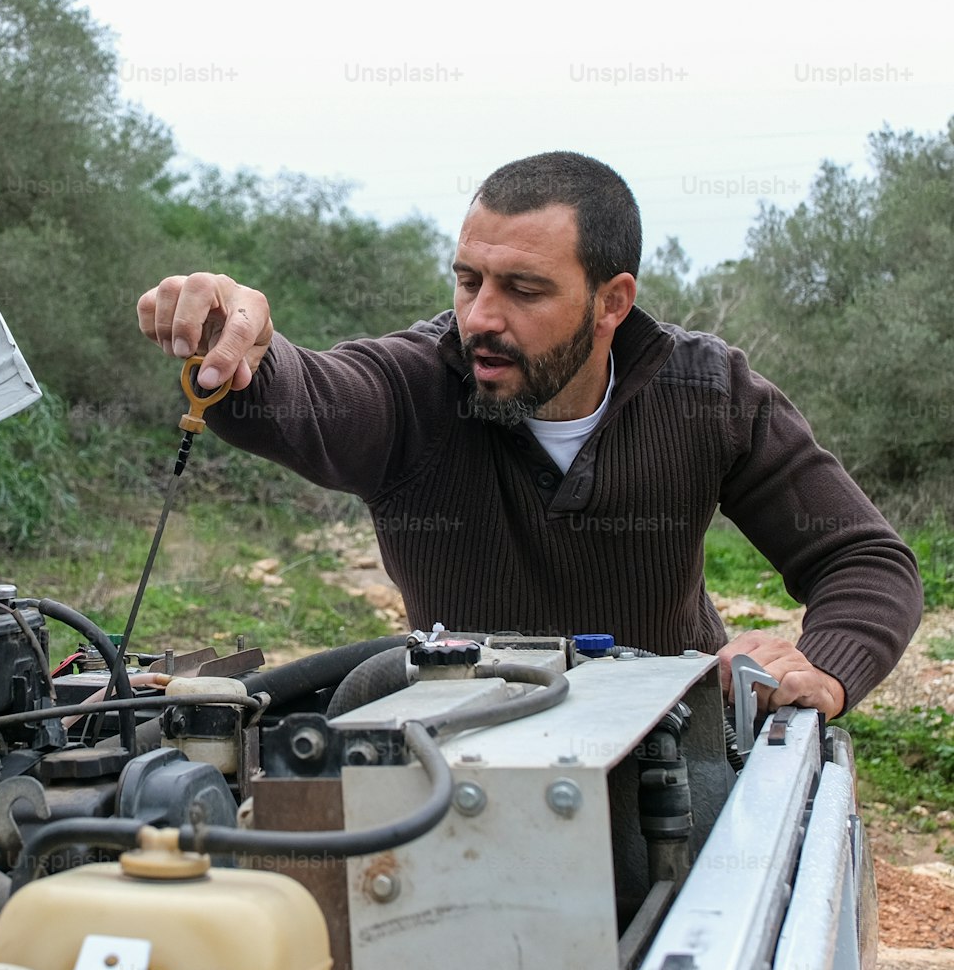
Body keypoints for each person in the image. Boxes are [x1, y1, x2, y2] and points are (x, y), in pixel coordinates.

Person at [137, 151, 922, 717]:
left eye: (524, 289)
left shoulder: (708, 393)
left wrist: (821, 665)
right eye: (469, 279)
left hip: (673, 748)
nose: (481, 316)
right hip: (455, 752)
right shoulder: (417, 384)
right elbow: (310, 396)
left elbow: (865, 557)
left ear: (612, 302)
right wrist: (238, 354)